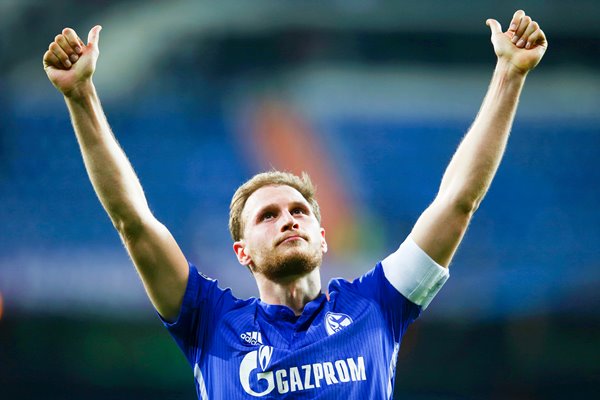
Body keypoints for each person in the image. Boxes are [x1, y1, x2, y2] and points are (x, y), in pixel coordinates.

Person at [43, 9, 547, 399]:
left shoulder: (376, 306)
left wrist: (510, 75)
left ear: (323, 238)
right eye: (268, 215)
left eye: (300, 212)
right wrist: (82, 95)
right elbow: (133, 221)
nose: (289, 219)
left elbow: (458, 201)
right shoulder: (209, 321)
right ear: (242, 252)